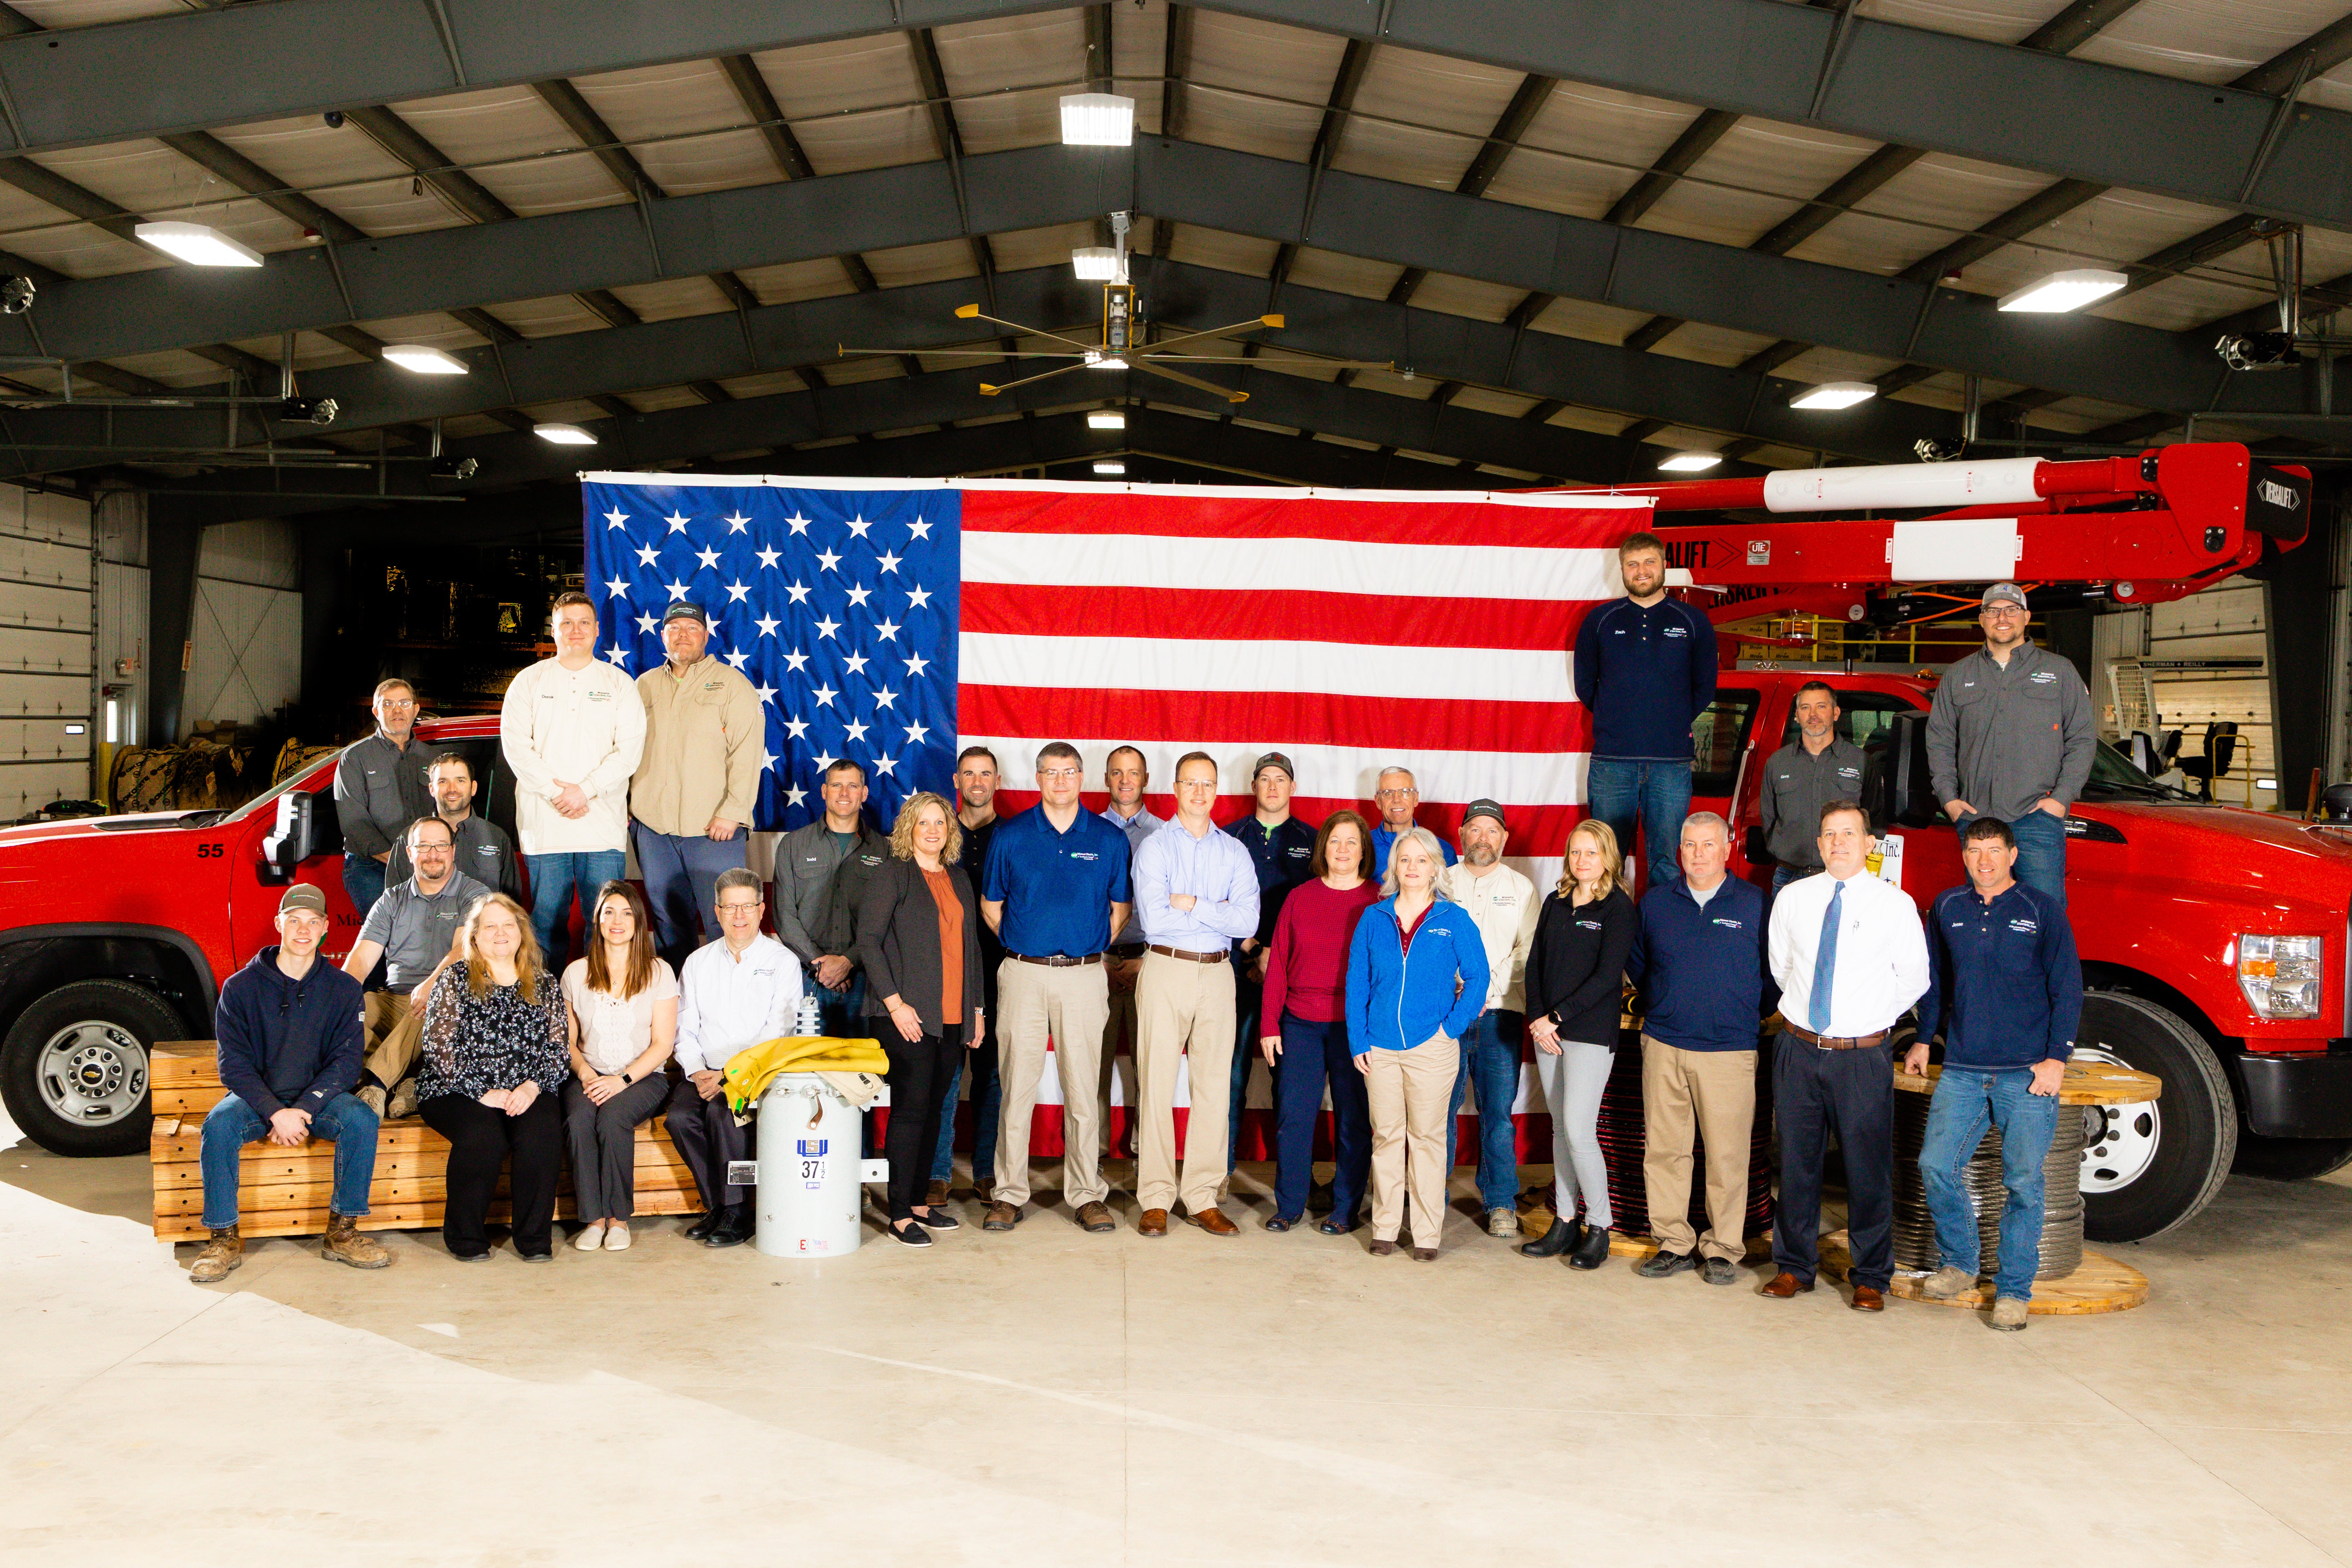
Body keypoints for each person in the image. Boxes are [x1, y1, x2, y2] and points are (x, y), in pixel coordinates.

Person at [1906, 817, 2081, 1331]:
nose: (1984, 859)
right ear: (1964, 855)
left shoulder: (2040, 909)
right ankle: (1960, 1263)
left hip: (2025, 1073)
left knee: (2023, 1182)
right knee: (1936, 1165)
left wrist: (2057, 1058)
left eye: (1994, 849)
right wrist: (1923, 1037)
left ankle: (2012, 1291)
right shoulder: (1946, 908)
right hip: (1962, 1066)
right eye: (1975, 849)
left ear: (2013, 853)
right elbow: (1936, 982)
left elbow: (2067, 988)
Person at [1764, 799, 1929, 1311]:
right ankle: (1794, 1267)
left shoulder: (1893, 903)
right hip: (1797, 1046)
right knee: (1795, 1164)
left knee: (1866, 1168)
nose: (1838, 842)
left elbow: (1914, 978)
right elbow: (1781, 967)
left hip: (1861, 1056)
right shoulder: (1792, 897)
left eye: (1849, 833)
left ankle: (1872, 1275)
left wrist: (1867, 1019)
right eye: (1830, 834)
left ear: (1869, 843)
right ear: (1818, 844)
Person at [188, 883, 390, 1283]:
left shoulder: (345, 989)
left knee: (362, 1120)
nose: (303, 929)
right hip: (257, 1098)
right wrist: (276, 1112)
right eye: (294, 920)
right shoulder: (240, 987)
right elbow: (234, 1065)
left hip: (319, 1099)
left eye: (313, 922)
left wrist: (305, 1108)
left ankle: (343, 1232)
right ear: (278, 922)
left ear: (325, 928)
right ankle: (223, 1237)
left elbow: (347, 1062)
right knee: (219, 1125)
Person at [980, 742, 1132, 1235]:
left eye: (1069, 772)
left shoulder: (1108, 838)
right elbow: (991, 905)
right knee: (1016, 1085)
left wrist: (1083, 950)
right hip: (1023, 971)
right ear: (1038, 777)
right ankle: (1007, 1193)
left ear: (1082, 776)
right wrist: (1026, 946)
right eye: (1051, 772)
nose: (1061, 780)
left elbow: (1119, 911)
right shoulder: (1013, 835)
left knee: (1085, 1088)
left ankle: (1086, 1193)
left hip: (1086, 976)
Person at [1628, 812, 1767, 1286]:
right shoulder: (1656, 904)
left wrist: (1739, 1012)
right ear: (1680, 849)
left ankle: (1723, 1248)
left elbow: (1772, 978)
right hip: (1664, 1042)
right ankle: (1673, 1242)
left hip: (1728, 1049)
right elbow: (1641, 967)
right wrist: (1665, 1005)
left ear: (1725, 848)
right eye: (1689, 844)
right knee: (1665, 1150)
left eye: (1708, 844)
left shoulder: (1753, 904)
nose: (1698, 853)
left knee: (1727, 1154)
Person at [1130, 751, 1261, 1237]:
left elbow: (1247, 921)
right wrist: (1217, 910)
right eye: (1191, 783)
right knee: (1158, 1083)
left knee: (1213, 1087)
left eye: (1208, 784)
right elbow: (1157, 917)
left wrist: (1192, 903)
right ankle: (1157, 1197)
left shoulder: (1234, 851)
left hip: (1218, 972)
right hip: (1166, 966)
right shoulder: (1155, 847)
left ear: (1217, 789)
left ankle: (1202, 1195)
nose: (1200, 792)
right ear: (1176, 787)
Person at [1346, 827, 1489, 1260]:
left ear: (1435, 868)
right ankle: (1386, 1227)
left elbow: (1479, 978)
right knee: (1386, 1136)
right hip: (1380, 1048)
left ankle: (1427, 1234)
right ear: (1394, 867)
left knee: (1427, 1138)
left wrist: (1452, 1027)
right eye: (1404, 859)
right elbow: (1357, 984)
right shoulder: (1373, 918)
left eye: (1421, 860)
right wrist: (1358, 1040)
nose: (1412, 867)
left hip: (1434, 1046)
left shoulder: (1453, 919)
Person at [858, 793, 986, 1247]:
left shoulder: (958, 878)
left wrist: (976, 1009)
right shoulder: (891, 874)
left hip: (953, 1013)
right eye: (923, 822)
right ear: (908, 827)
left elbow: (970, 947)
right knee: (911, 1109)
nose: (932, 830)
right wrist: (895, 1003)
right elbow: (868, 943)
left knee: (935, 1106)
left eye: (940, 823)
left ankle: (917, 1202)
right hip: (906, 1015)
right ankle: (897, 1212)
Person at [414, 893, 570, 1262]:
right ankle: (465, 1238)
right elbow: (439, 1048)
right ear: (475, 936)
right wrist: (483, 1092)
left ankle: (534, 1240)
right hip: (455, 1088)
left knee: (543, 1131)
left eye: (508, 925)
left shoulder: (544, 982)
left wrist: (533, 1086)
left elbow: (559, 1048)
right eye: (490, 926)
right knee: (484, 1136)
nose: (500, 933)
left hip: (526, 1087)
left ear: (521, 932)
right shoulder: (455, 978)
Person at [501, 590, 645, 970]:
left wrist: (586, 791)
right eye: (566, 623)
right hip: (545, 825)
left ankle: (600, 1008)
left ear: (597, 630)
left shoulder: (619, 683)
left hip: (602, 828)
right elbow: (516, 748)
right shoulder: (528, 681)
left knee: (605, 927)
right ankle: (543, 1010)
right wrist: (556, 793)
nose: (575, 630)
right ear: (554, 630)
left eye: (584, 623)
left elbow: (629, 752)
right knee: (545, 925)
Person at [1926, 582, 2096, 904]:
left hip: (2037, 819)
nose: (2002, 617)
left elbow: (2083, 738)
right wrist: (1949, 798)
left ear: (2027, 617)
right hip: (1977, 820)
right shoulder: (1958, 675)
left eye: (2011, 610)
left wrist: (2061, 798)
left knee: (2044, 916)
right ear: (1982, 619)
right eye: (1993, 611)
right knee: (1983, 913)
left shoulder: (2059, 672)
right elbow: (1940, 740)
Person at [1519, 819, 1638, 1271]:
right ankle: (1565, 1220)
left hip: (1588, 1032)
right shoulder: (1555, 901)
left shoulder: (1617, 908)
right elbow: (1534, 964)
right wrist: (1537, 1018)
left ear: (1607, 857)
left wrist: (1558, 1016)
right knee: (1559, 1129)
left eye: (1591, 852)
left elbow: (1608, 977)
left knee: (1579, 1129)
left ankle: (1599, 1226)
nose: (1582, 860)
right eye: (1575, 852)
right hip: (1547, 1031)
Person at [1573, 531, 1719, 889]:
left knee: (1667, 863)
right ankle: (1609, 938)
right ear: (1621, 569)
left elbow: (1704, 688)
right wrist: (1620, 719)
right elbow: (1585, 685)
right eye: (1633, 564)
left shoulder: (1693, 621)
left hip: (1671, 763)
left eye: (1650, 562)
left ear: (1665, 565)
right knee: (1606, 862)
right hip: (1612, 762)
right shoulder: (1600, 621)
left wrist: (1669, 720)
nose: (1642, 571)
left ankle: (1658, 941)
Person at [666, 867, 803, 1249]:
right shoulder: (698, 962)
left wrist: (728, 1074)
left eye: (747, 906)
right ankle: (717, 1205)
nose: (739, 915)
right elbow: (685, 1028)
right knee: (679, 1118)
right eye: (731, 907)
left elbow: (778, 1032)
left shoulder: (782, 961)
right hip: (703, 1072)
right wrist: (697, 1071)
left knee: (723, 1113)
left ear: (762, 910)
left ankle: (739, 1210)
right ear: (717, 911)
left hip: (757, 1073)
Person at [1258, 810, 1380, 1233]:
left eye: (1351, 842)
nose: (1343, 849)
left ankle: (1346, 1209)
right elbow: (1278, 968)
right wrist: (1270, 1023)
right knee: (1295, 1116)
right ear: (1322, 848)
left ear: (1363, 850)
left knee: (1353, 1119)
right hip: (1301, 1024)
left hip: (1355, 1028)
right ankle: (1289, 1205)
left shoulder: (1379, 901)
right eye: (1335, 841)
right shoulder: (1300, 897)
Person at [630, 600, 762, 967]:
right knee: (670, 926)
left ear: (705, 635)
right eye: (674, 628)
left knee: (726, 923)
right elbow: (624, 748)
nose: (682, 635)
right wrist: (627, 805)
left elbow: (747, 752)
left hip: (714, 829)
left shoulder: (732, 684)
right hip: (654, 830)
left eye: (691, 628)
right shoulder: (645, 686)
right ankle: (680, 1011)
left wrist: (733, 812)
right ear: (663, 635)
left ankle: (730, 1014)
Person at [1437, 800, 1540, 1237]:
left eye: (1492, 830)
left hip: (1498, 1016)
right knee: (1436, 1111)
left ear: (1504, 838)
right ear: (1461, 835)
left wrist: (1482, 989)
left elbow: (1528, 951)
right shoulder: (1440, 881)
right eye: (1475, 829)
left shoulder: (1522, 889)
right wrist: (1456, 988)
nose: (1483, 837)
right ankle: (1430, 1200)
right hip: (1443, 1016)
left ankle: (1500, 1201)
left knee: (1497, 1113)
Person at [345, 816, 492, 1119]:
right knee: (354, 1008)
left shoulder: (473, 894)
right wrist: (337, 997)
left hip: (448, 1005)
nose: (433, 854)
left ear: (453, 851)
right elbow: (361, 959)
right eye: (423, 846)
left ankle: (374, 1084)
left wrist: (432, 984)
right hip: (395, 999)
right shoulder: (392, 899)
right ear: (409, 853)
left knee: (438, 1000)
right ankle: (412, 1079)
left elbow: (462, 950)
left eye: (440, 845)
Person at [560, 880, 678, 1253]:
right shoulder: (575, 973)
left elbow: (663, 1044)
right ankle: (593, 1220)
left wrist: (622, 1080)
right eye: (609, 911)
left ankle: (618, 1220)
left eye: (627, 913)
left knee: (612, 1118)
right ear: (597, 920)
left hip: (643, 1077)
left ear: (639, 922)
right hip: (587, 1073)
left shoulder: (660, 972)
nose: (617, 920)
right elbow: (567, 1041)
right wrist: (587, 1075)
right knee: (579, 1119)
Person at [1224, 751, 1317, 1176]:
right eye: (1265, 779)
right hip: (1237, 970)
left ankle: (1294, 1180)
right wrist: (1253, 950)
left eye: (1282, 779)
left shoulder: (1314, 841)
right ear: (1254, 786)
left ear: (1293, 787)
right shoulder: (1228, 837)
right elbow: (1215, 904)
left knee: (1293, 1086)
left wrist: (1276, 958)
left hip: (1294, 979)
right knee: (1231, 1076)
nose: (1274, 786)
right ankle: (1218, 1175)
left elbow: (1321, 909)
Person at [929, 746, 1005, 1205]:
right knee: (945, 1075)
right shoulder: (938, 832)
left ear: (996, 780)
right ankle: (937, 1171)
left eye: (986, 774)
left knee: (993, 1076)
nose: (977, 781)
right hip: (945, 975)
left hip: (1001, 971)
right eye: (969, 774)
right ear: (956, 780)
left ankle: (987, 1171)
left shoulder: (1015, 834)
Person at [772, 759, 883, 1034]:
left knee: (861, 1071)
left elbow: (887, 918)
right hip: (805, 977)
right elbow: (784, 917)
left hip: (865, 980)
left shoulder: (884, 850)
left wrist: (847, 962)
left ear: (864, 794)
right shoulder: (793, 845)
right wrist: (821, 964)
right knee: (806, 1069)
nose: (844, 793)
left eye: (852, 786)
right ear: (824, 791)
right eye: (836, 785)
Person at [1099, 744, 1163, 1133]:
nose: (1125, 780)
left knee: (1150, 1066)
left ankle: (1146, 1158)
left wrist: (1148, 958)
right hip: (1097, 965)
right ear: (1106, 778)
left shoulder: (1166, 834)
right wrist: (1102, 959)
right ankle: (1094, 1156)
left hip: (1151, 964)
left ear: (1146, 779)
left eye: (1133, 772)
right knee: (1092, 1068)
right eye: (1117, 772)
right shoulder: (1086, 830)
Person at [332, 678, 434, 920]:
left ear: (416, 710)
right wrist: (403, 862)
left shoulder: (433, 759)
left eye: (404, 703)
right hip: (370, 867)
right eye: (388, 704)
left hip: (424, 866)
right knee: (385, 939)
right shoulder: (355, 758)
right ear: (377, 712)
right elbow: (353, 822)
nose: (397, 710)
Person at [1759, 683, 1866, 894]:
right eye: (1806, 708)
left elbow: (1875, 818)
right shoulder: (1777, 763)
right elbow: (1768, 819)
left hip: (1845, 877)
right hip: (1789, 877)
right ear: (1797, 716)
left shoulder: (1861, 762)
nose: (1813, 714)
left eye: (1821, 707)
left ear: (1836, 713)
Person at [385, 751, 519, 898]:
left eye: (460, 781)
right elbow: (394, 904)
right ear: (432, 789)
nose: (452, 789)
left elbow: (511, 906)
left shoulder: (497, 839)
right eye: (443, 781)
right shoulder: (409, 839)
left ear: (473, 788)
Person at [1368, 766, 1456, 879]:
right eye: (1388, 793)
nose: (1397, 799)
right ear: (1378, 801)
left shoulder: (1443, 850)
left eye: (1405, 792)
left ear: (1416, 798)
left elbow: (1450, 894)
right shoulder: (1362, 846)